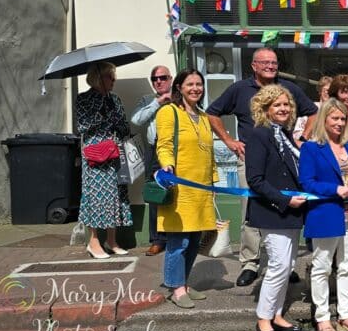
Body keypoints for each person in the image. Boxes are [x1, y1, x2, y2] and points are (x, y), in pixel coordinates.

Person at [207, 48, 317, 288]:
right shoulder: (239, 89)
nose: (270, 66)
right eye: (265, 62)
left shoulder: (289, 89)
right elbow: (212, 113)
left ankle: (284, 265)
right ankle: (250, 262)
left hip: (284, 159)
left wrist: (303, 139)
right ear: (254, 65)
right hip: (251, 156)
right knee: (251, 210)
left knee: (285, 205)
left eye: (274, 62)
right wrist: (228, 140)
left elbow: (313, 112)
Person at [300, 98, 348, 331]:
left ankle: (345, 315)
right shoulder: (311, 148)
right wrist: (334, 189)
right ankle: (322, 317)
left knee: (347, 266)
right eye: (335, 118)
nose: (340, 123)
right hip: (325, 214)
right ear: (324, 120)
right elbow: (307, 182)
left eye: (343, 118)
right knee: (321, 267)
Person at [245, 85, 307, 331]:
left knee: (288, 264)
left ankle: (278, 314)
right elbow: (255, 179)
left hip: (292, 212)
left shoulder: (286, 134)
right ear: (265, 109)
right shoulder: (260, 135)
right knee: (279, 265)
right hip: (273, 210)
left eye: (286, 105)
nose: (283, 109)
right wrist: (284, 201)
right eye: (277, 105)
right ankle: (263, 318)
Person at [155, 69, 217, 309]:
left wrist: (212, 182)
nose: (195, 88)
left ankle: (184, 283)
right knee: (178, 241)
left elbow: (208, 152)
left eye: (199, 84)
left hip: (201, 188)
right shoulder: (168, 112)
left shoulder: (203, 116)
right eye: (190, 84)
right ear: (179, 87)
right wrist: (167, 165)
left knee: (193, 240)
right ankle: (176, 288)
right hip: (180, 186)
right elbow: (164, 145)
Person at [76, 61, 133, 259]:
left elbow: (125, 128)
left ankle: (112, 240)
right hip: (96, 155)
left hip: (115, 155)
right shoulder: (84, 99)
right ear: (98, 77)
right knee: (96, 196)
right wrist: (102, 114)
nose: (114, 80)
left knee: (116, 196)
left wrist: (116, 118)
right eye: (110, 76)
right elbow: (82, 126)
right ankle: (93, 242)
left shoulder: (115, 99)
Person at [131, 65, 173, 257]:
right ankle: (158, 240)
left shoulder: (180, 98)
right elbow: (137, 120)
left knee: (179, 192)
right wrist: (158, 102)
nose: (159, 81)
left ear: (170, 79)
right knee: (156, 194)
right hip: (154, 151)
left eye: (163, 78)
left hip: (176, 150)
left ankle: (178, 236)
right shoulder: (148, 100)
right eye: (155, 79)